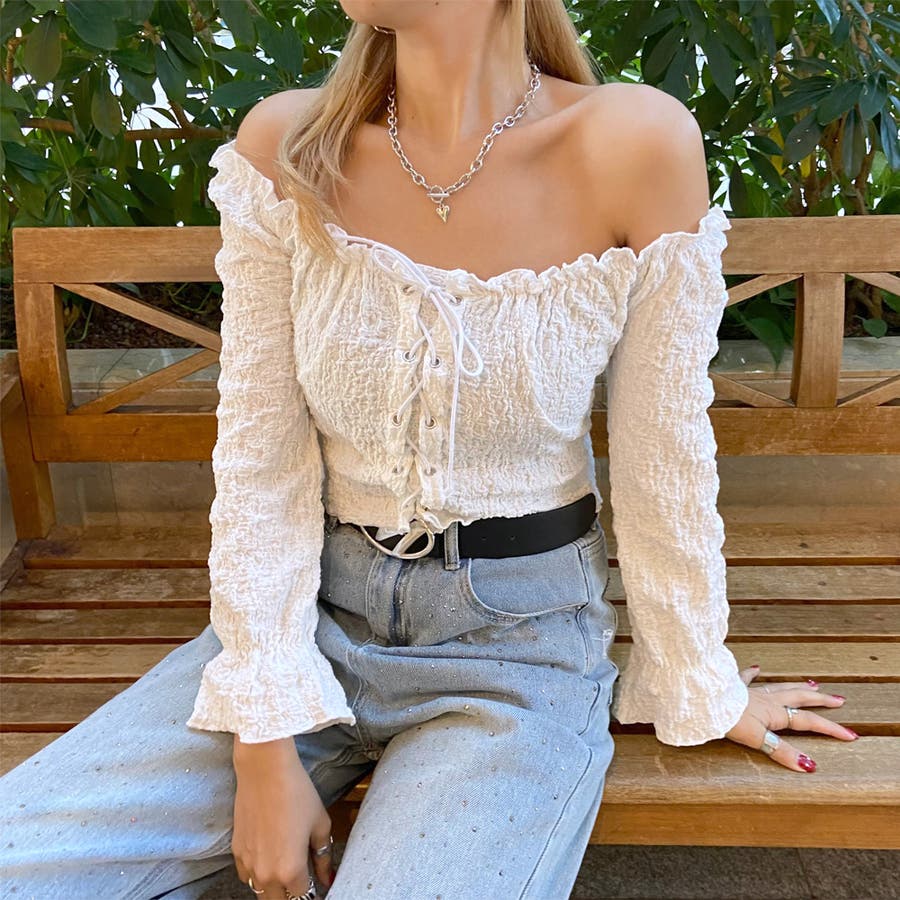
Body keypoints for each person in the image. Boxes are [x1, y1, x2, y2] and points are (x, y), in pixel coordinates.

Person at [0, 1, 858, 898]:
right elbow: (259, 457)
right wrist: (262, 736)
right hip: (308, 622)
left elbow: (662, 459)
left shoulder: (634, 144)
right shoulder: (288, 149)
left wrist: (694, 679)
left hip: (517, 653)